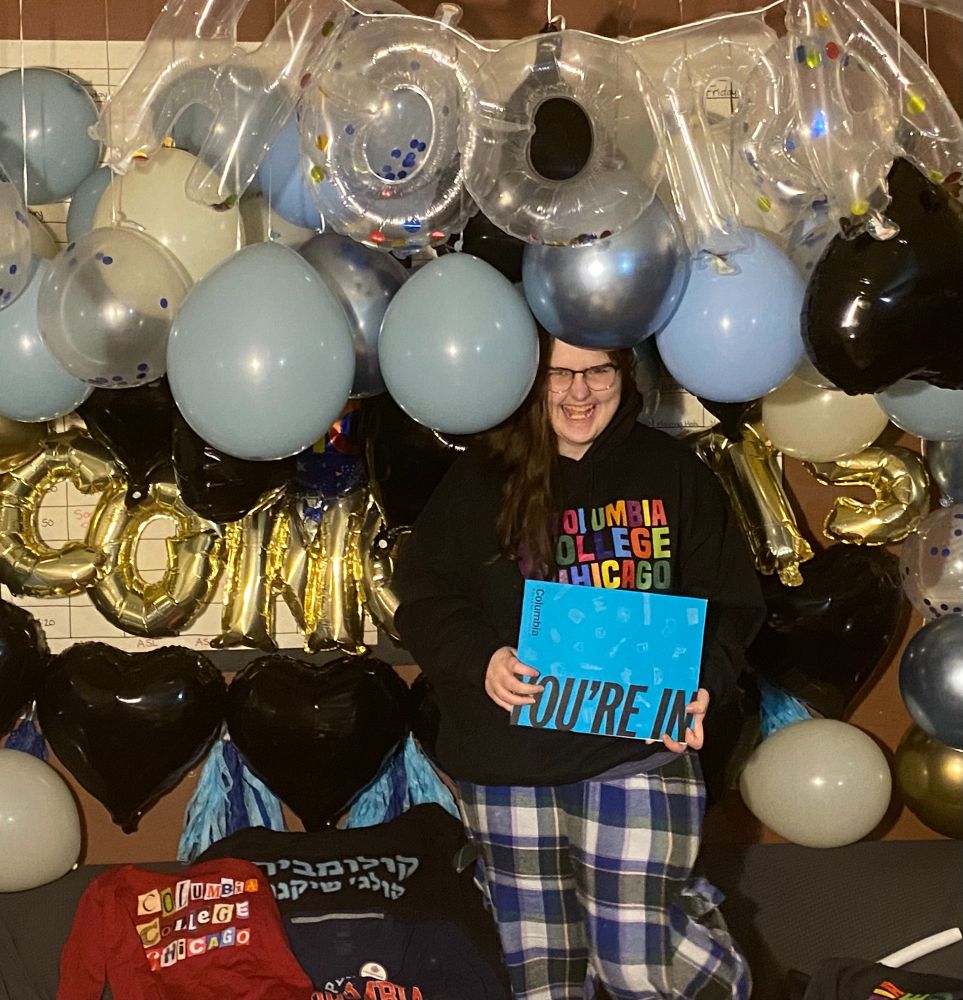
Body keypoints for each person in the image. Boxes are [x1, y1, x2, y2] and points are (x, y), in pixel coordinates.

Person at [393, 329, 766, 1000]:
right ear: (530, 379)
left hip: (637, 749)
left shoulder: (672, 472)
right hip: (507, 764)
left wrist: (703, 684)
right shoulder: (481, 476)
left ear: (626, 374)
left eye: (596, 372)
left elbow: (730, 602)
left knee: (636, 965)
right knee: (541, 977)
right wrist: (482, 661)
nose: (577, 393)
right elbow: (422, 600)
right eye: (558, 374)